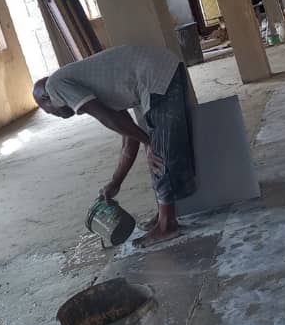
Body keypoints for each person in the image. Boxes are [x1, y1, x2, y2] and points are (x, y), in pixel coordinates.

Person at [32, 45, 195, 249]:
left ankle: (167, 225)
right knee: (156, 147)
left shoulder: (54, 86)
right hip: (153, 71)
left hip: (154, 72)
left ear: (46, 98)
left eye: (48, 111)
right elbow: (128, 136)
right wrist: (115, 182)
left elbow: (106, 118)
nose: (54, 115)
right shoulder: (93, 88)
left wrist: (148, 142)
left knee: (158, 152)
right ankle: (163, 216)